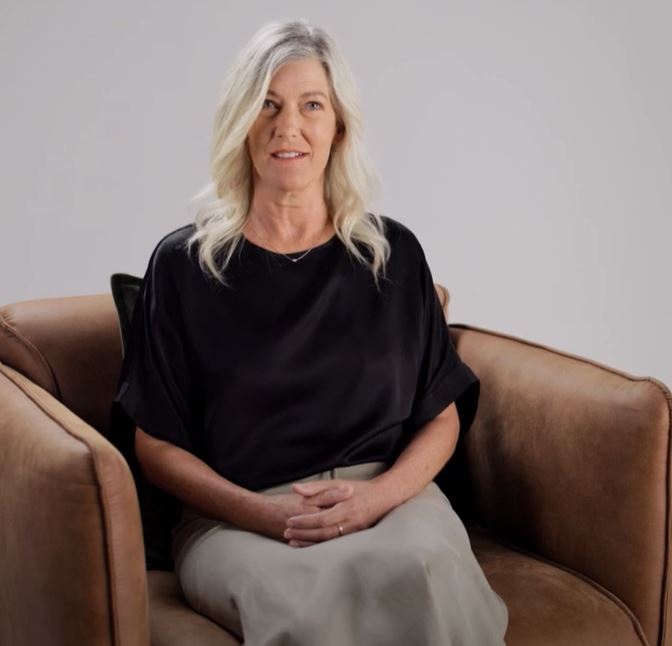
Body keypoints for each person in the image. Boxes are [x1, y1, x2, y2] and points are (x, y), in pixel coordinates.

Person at [113, 18, 508, 646]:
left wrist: (376, 499)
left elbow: (441, 416)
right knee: (305, 610)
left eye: (311, 105)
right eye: (267, 104)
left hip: (390, 502)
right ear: (241, 122)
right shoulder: (183, 267)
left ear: (338, 126)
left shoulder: (392, 256)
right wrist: (265, 515)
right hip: (237, 520)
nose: (287, 126)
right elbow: (155, 444)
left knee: (423, 572)